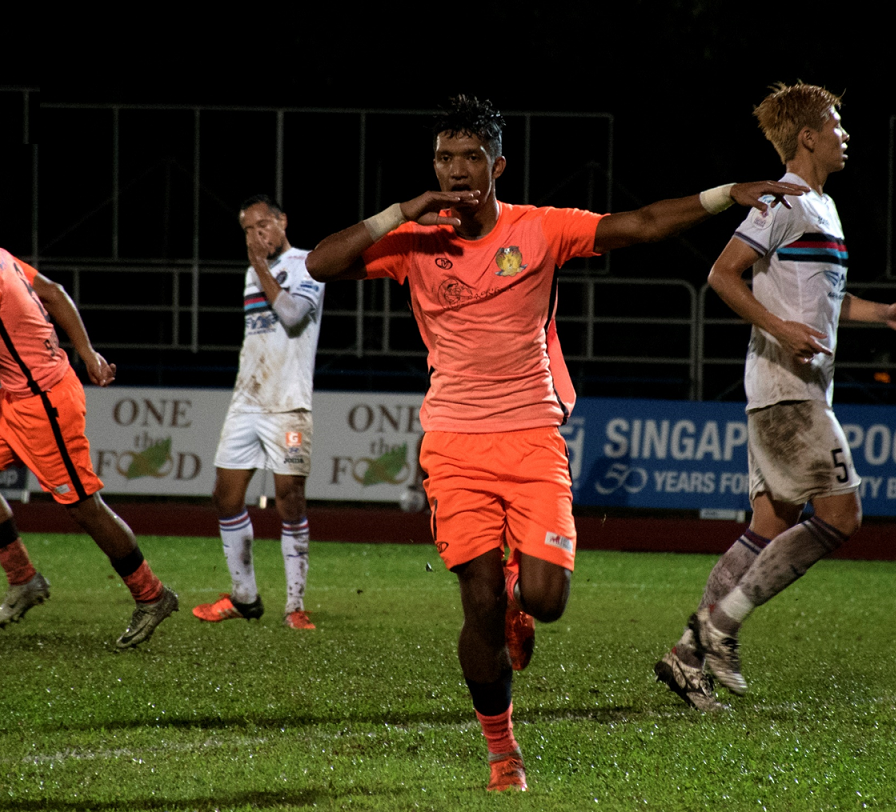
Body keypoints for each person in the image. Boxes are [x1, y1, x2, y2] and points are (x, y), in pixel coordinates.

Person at [305, 95, 807, 792]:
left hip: (533, 438)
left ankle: (519, 593)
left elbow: (642, 225)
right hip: (453, 444)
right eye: (444, 157)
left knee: (546, 600)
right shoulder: (414, 239)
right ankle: (502, 750)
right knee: (474, 604)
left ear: (497, 165)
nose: (455, 170)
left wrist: (727, 194)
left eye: (470, 157)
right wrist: (398, 213)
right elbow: (321, 265)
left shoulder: (538, 230)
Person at [654, 82, 896, 712]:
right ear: (808, 137)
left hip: (792, 388)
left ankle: (686, 655)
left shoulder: (824, 209)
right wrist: (778, 328)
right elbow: (721, 275)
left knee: (770, 523)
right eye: (836, 124)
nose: (845, 134)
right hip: (786, 392)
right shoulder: (784, 201)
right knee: (842, 516)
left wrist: (882, 313)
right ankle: (718, 629)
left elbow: (822, 302)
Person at [0, 181, 178, 648]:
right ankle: (24, 580)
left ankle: (152, 595)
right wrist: (88, 353)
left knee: (83, 508)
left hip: (45, 404)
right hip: (17, 398)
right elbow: (53, 292)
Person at [192, 195, 324, 631]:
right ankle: (244, 596)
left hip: (288, 404)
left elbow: (290, 315)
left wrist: (262, 266)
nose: (256, 235)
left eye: (263, 225)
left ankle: (295, 605)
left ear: (283, 221)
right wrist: (259, 267)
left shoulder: (309, 264)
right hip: (246, 401)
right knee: (225, 496)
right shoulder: (254, 272)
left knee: (289, 499)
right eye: (248, 229)